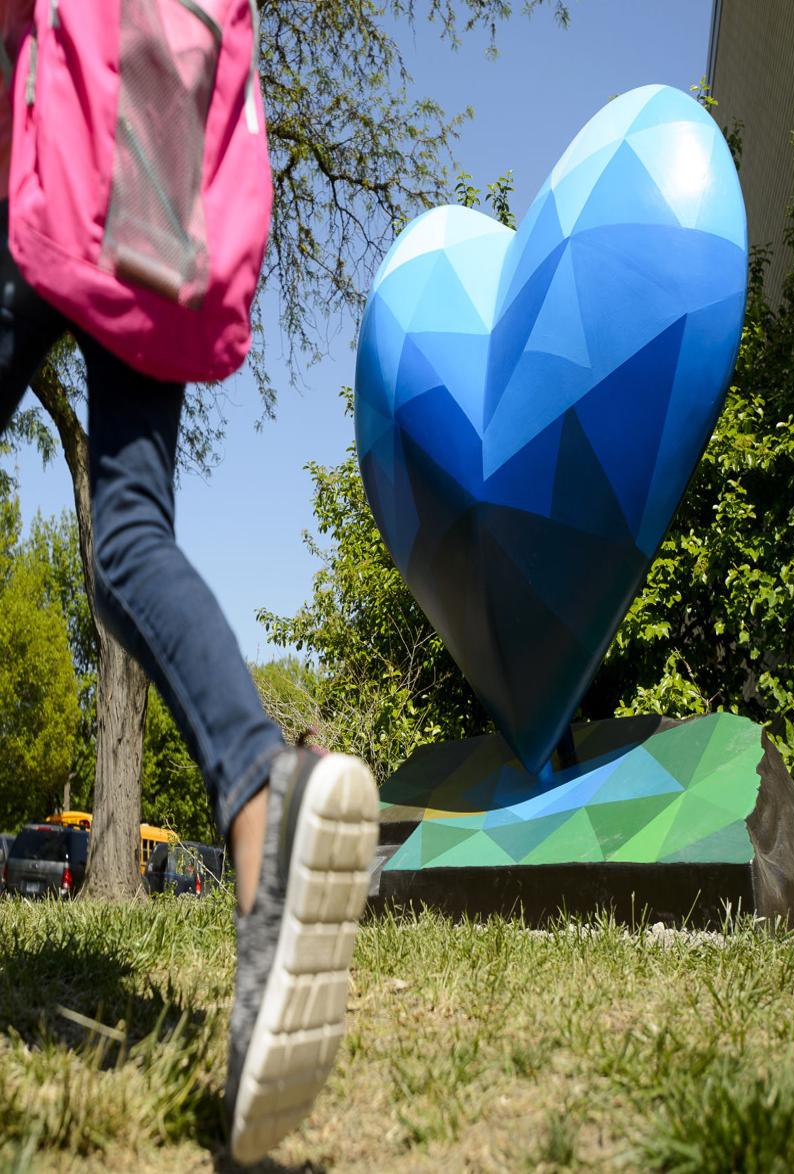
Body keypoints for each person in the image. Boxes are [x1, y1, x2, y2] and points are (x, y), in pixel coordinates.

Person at [1, 4, 378, 1164]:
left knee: (124, 541)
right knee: (127, 540)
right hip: (161, 117)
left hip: (57, 111)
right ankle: (264, 803)